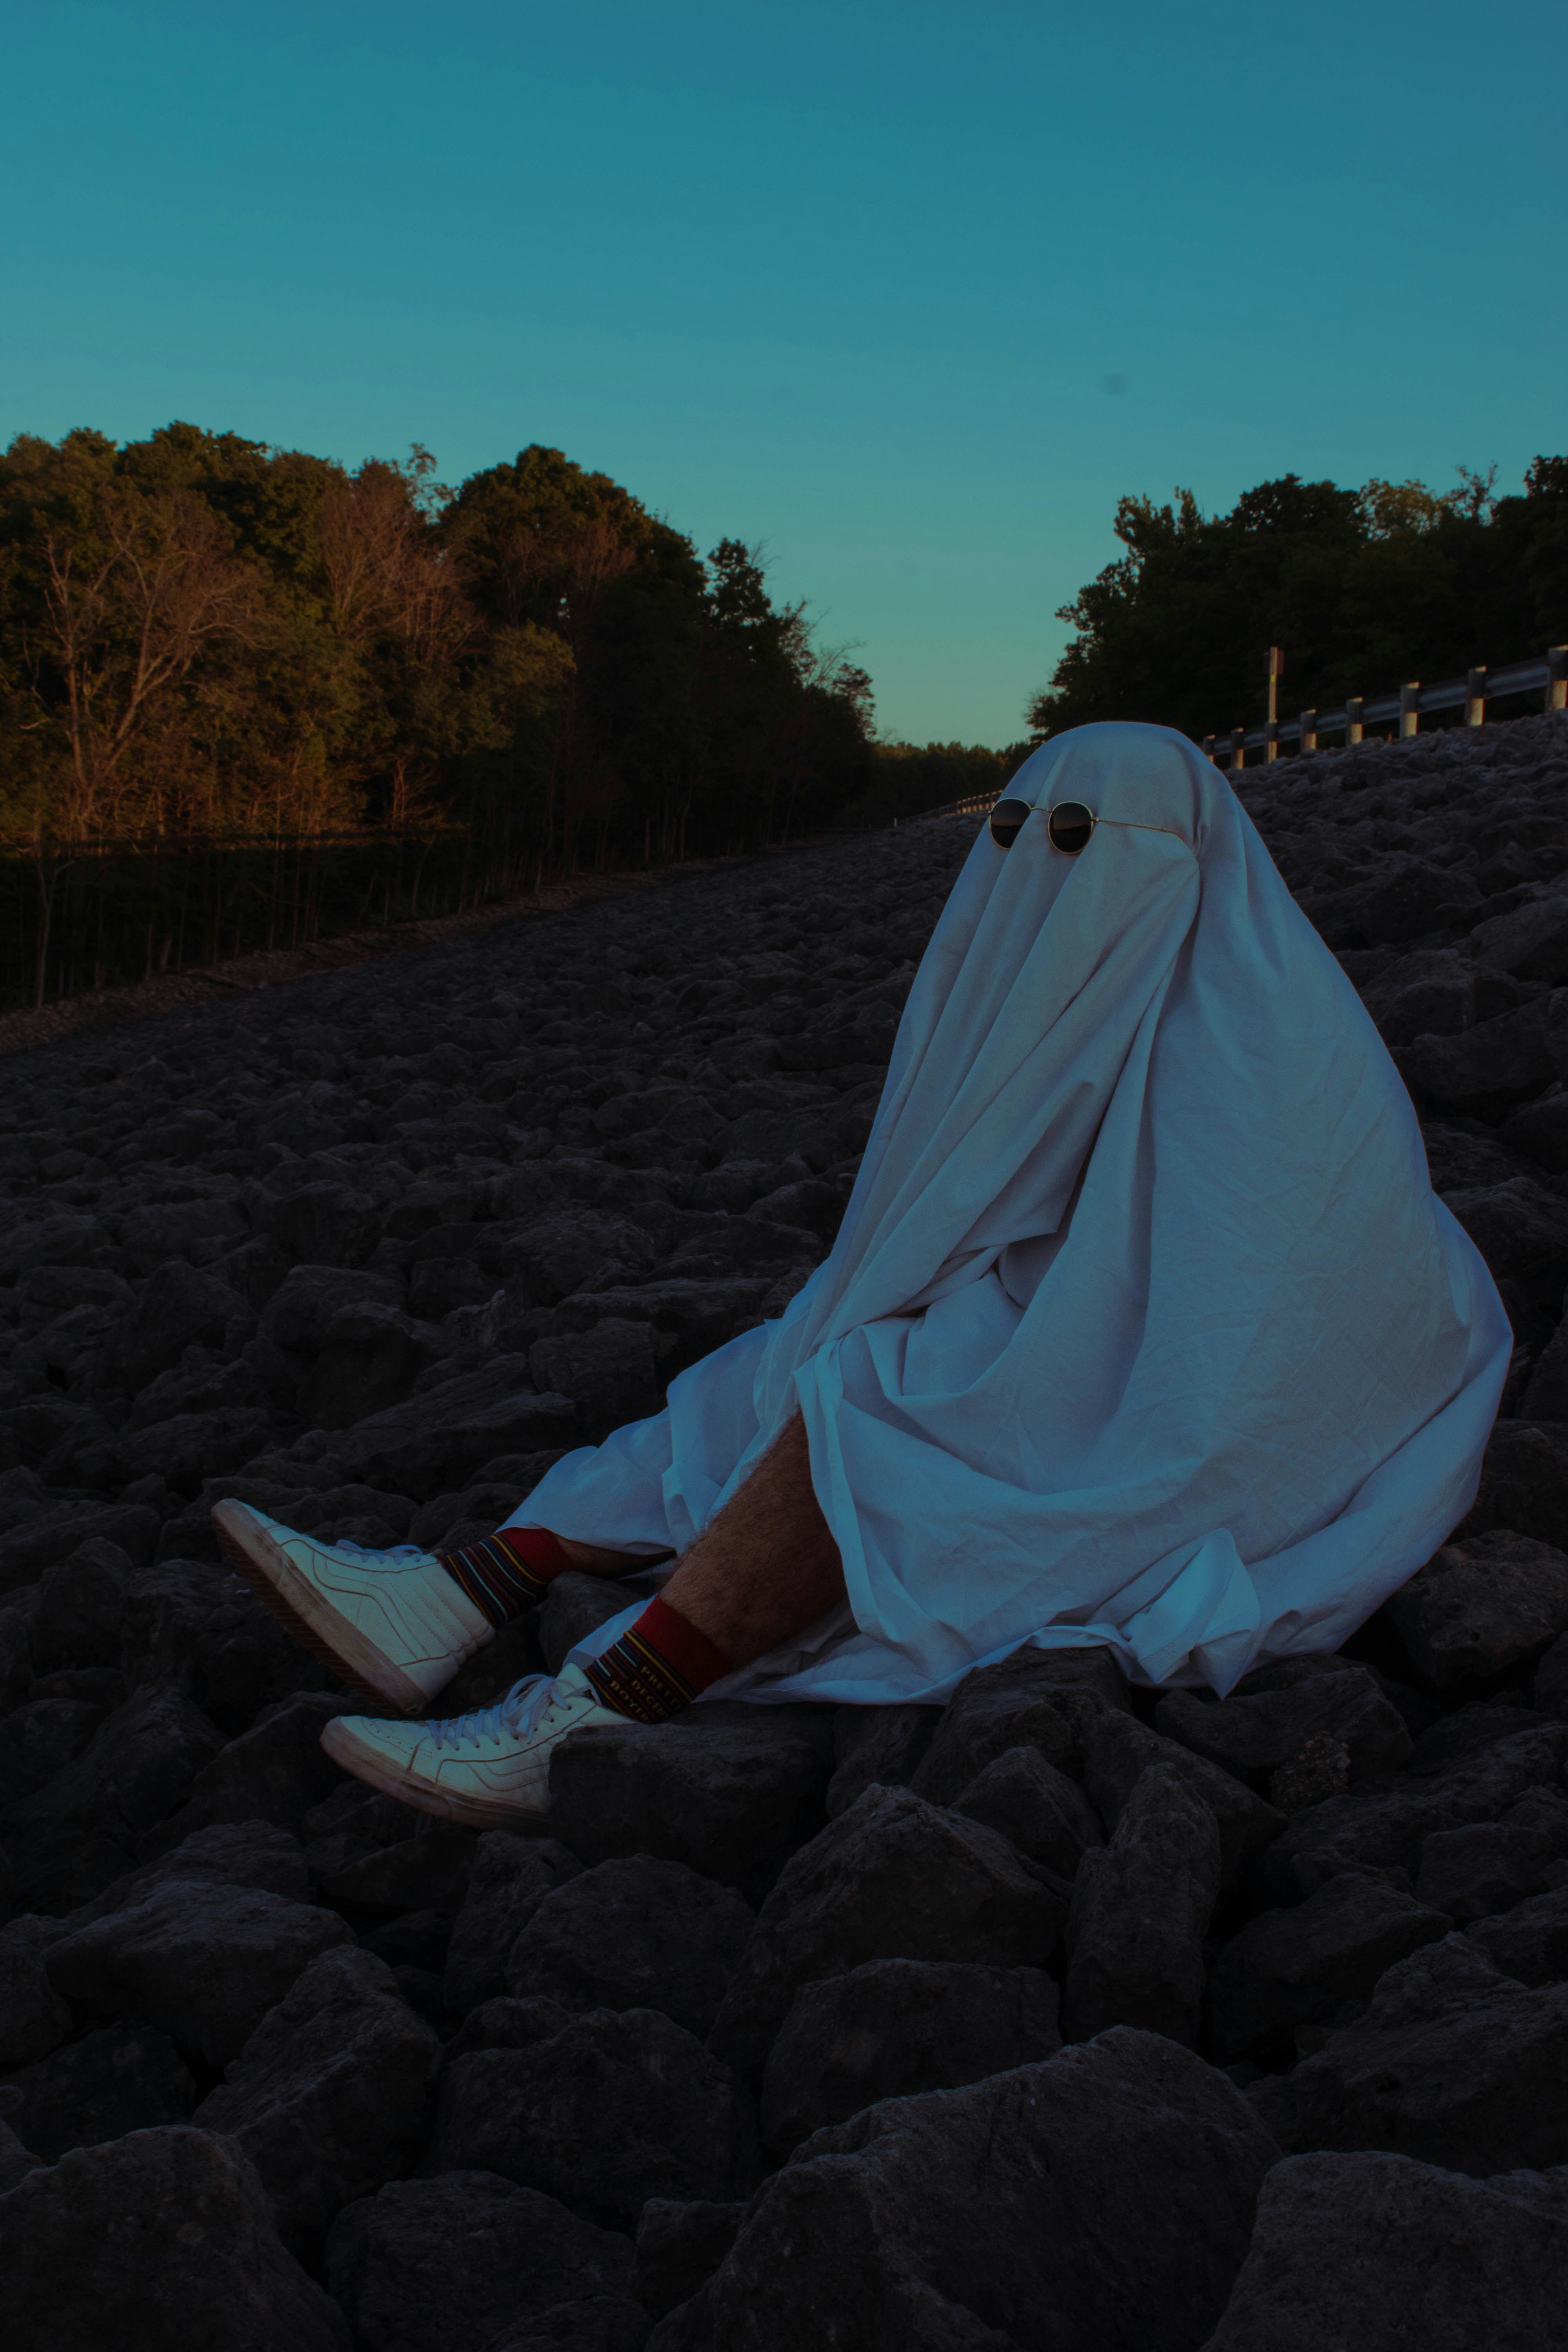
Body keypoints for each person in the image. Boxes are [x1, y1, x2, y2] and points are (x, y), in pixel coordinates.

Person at [215, 720, 1510, 1827]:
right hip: (1120, 1318)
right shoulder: (1140, 969)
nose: (1045, 865)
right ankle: (454, 1594)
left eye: (1082, 839)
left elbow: (1243, 1295)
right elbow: (977, 1206)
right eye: (1019, 829)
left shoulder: (1266, 1045)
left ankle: (594, 1716)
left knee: (875, 1416)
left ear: (1192, 855)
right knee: (785, 1361)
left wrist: (942, 1349)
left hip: (1245, 1403)